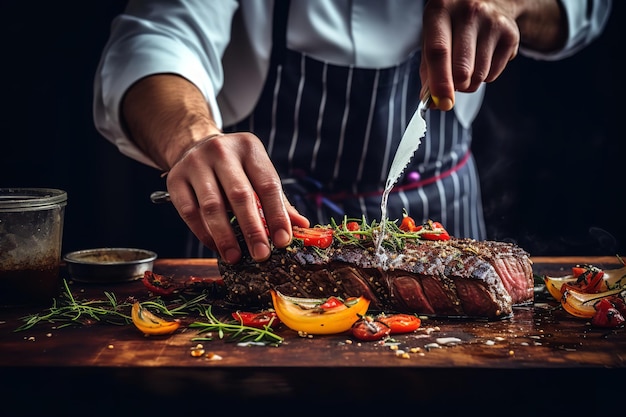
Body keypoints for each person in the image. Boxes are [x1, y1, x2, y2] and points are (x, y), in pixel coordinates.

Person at [94, 0, 611, 264]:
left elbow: (589, 8)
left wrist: (512, 2)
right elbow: (157, 35)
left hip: (442, 221)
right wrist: (191, 137)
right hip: (264, 226)